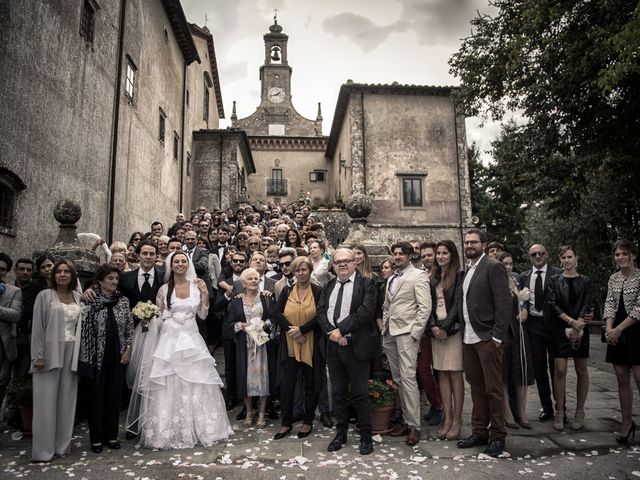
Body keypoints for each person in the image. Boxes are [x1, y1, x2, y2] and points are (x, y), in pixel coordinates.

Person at [135, 251, 232, 449]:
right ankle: (170, 431)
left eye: (183, 261)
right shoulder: (163, 289)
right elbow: (160, 314)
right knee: (170, 381)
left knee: (196, 380)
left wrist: (205, 294)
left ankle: (200, 428)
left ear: (188, 264)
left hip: (191, 339)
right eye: (176, 261)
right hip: (170, 340)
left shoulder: (197, 286)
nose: (180, 264)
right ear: (171, 266)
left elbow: (203, 315)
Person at [317, 248, 378, 455]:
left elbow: (366, 312)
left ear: (355, 263)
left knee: (360, 394)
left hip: (356, 346)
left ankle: (366, 437)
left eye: (346, 261)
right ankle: (340, 434)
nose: (342, 264)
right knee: (338, 393)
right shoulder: (329, 285)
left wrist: (341, 330)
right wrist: (332, 334)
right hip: (333, 347)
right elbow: (321, 312)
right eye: (338, 262)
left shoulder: (367, 283)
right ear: (333, 266)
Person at [456, 229, 511, 458]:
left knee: (493, 388)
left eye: (474, 242)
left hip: (488, 337)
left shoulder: (493, 266)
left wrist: (497, 337)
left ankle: (498, 436)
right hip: (469, 337)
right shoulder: (469, 270)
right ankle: (480, 431)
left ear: (483, 244)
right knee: (476, 388)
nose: (469, 245)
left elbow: (504, 302)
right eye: (467, 242)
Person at [31, 260, 83, 462]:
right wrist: (38, 355)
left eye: (66, 272)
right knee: (45, 402)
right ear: (53, 275)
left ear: (72, 276)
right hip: (49, 352)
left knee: (67, 400)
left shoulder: (78, 297)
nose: (62, 274)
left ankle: (62, 446)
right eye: (58, 271)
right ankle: (43, 451)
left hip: (72, 352)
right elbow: (37, 327)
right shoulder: (44, 296)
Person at [79, 264, 133, 453]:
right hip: (96, 357)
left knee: (114, 398)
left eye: (116, 279)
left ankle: (111, 436)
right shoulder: (90, 300)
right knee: (96, 398)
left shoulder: (123, 301)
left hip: (117, 355)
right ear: (100, 281)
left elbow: (128, 328)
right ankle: (96, 438)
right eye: (110, 278)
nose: (114, 282)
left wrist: (128, 350)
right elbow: (84, 328)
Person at [382, 242, 431, 446]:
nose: (397, 256)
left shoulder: (418, 275)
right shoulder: (392, 278)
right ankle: (404, 420)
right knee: (398, 377)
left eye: (401, 253)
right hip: (390, 334)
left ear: (410, 256)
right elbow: (387, 306)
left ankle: (414, 426)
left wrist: (415, 333)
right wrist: (385, 326)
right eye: (395, 254)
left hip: (407, 333)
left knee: (409, 377)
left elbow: (425, 307)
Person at [273, 257, 322, 439]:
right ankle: (286, 423)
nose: (301, 273)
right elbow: (276, 312)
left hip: (311, 344)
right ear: (293, 273)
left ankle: (307, 421)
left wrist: (302, 329)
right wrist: (291, 330)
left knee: (310, 384)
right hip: (290, 344)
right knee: (287, 385)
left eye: (304, 270)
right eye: (297, 270)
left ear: (310, 271)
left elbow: (321, 316)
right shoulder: (286, 291)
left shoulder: (318, 291)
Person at [546, 246, 592, 431]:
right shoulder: (554, 280)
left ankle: (580, 411)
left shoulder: (586, 281)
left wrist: (579, 323)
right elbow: (552, 304)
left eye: (570, 257)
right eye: (563, 257)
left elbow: (587, 302)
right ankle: (559, 411)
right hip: (560, 326)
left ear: (576, 258)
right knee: (560, 370)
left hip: (581, 326)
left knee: (582, 369)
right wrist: (570, 321)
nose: (566, 260)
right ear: (560, 260)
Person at [518, 244, 562, 421]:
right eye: (534, 254)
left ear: (547, 255)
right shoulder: (524, 277)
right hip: (534, 326)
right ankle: (547, 407)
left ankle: (561, 407)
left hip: (554, 325)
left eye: (541, 253)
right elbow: (521, 300)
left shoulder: (557, 274)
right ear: (530, 257)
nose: (537, 256)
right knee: (539, 368)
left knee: (557, 369)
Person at [603, 239, 640, 444]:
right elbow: (609, 303)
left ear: (633, 255)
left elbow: (639, 308)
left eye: (624, 254)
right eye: (617, 255)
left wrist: (619, 329)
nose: (620, 258)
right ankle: (626, 422)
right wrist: (609, 329)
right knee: (621, 376)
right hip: (616, 329)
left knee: (639, 375)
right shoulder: (613, 279)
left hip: (636, 329)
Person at [227, 268, 273, 429]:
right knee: (245, 378)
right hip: (244, 345)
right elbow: (230, 324)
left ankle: (261, 413)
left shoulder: (266, 298)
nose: (254, 281)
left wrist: (263, 324)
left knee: (263, 378)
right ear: (244, 283)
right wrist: (242, 325)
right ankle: (248, 412)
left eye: (256, 278)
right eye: (250, 279)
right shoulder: (236, 301)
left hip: (262, 346)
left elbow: (273, 318)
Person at [427, 240, 464, 440]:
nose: (441, 256)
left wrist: (445, 328)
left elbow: (458, 303)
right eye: (438, 253)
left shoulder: (459, 275)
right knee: (441, 373)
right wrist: (433, 326)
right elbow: (428, 305)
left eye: (445, 253)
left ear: (452, 255)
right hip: (436, 331)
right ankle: (447, 418)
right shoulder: (432, 276)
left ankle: (457, 420)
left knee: (455, 374)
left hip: (452, 330)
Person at [497, 251, 534, 429]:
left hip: (519, 329)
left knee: (520, 370)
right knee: (504, 371)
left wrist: (525, 309)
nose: (508, 267)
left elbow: (524, 298)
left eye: (510, 264)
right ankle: (507, 412)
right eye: (505, 264)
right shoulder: (496, 280)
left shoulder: (517, 279)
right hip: (504, 329)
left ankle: (522, 411)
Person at [0, 253, 22, 412]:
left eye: (2, 269)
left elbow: (15, 314)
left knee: (2, 382)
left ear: (6, 272)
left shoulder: (13, 291)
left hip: (4, 345)